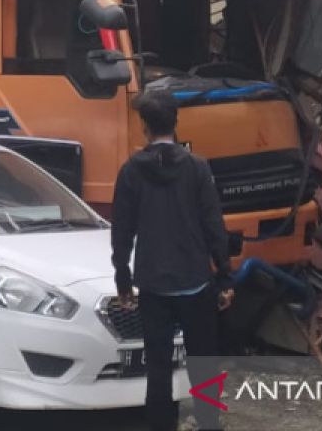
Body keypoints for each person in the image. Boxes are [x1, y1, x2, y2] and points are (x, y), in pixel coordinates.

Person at [111, 90, 234, 431]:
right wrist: (224, 278)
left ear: (144, 127)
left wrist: (123, 279)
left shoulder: (131, 171)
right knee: (203, 362)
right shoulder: (197, 168)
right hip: (195, 281)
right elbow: (213, 226)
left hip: (152, 285)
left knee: (159, 368)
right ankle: (209, 423)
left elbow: (121, 231)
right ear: (175, 123)